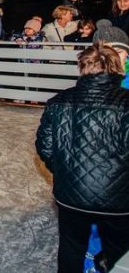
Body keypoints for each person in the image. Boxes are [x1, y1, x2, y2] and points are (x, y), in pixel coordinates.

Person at [36, 43, 129, 272]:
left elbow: (45, 147)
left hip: (72, 194)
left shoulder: (59, 101)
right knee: (118, 251)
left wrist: (66, 170)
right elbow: (45, 146)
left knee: (71, 247)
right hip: (118, 199)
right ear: (117, 67)